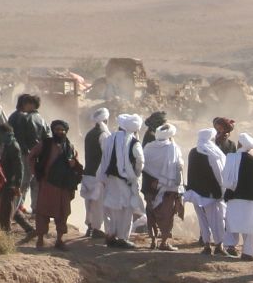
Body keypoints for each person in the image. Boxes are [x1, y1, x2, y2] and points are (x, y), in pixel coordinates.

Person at [95, 114, 144, 249]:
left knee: (113, 208)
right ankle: (122, 238)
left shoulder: (110, 138)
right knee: (127, 209)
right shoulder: (133, 142)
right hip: (125, 181)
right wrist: (136, 174)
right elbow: (140, 161)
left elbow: (104, 157)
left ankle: (111, 235)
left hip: (110, 179)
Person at [31, 120, 82, 249]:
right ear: (53, 131)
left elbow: (76, 164)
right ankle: (40, 239)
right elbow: (31, 157)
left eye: (62, 130)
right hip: (47, 184)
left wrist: (73, 164)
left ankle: (59, 240)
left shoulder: (70, 147)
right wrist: (37, 173)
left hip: (63, 186)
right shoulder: (45, 144)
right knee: (43, 212)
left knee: (63, 213)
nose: (60, 132)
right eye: (57, 129)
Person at [221, 133, 253, 260]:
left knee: (231, 221)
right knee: (249, 225)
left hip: (234, 196)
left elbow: (225, 177)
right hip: (251, 197)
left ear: (239, 144)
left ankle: (230, 247)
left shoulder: (231, 157)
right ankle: (247, 252)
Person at [142, 122, 184, 250]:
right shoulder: (173, 148)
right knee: (167, 215)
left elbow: (144, 166)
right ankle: (164, 242)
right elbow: (178, 166)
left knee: (151, 213)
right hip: (167, 187)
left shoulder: (148, 147)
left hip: (150, 186)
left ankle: (153, 241)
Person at [186, 127, 227, 255]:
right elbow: (219, 174)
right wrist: (222, 190)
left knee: (202, 219)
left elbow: (190, 172)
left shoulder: (193, 151)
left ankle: (207, 244)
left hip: (195, 192)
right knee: (216, 220)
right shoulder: (214, 153)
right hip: (210, 193)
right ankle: (219, 245)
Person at [79, 106, 111, 239]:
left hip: (88, 173)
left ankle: (90, 227)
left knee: (89, 202)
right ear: (106, 120)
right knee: (98, 203)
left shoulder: (89, 133)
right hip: (98, 174)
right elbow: (106, 156)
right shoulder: (103, 135)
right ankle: (96, 229)